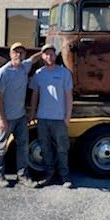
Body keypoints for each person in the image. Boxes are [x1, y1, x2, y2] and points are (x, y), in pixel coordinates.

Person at [0, 42, 41, 188]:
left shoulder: (24, 67)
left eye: (21, 52)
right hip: (6, 117)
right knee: (1, 147)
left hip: (20, 117)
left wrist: (45, 49)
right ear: (10, 54)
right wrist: (1, 118)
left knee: (23, 147)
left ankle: (23, 175)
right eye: (15, 52)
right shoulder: (3, 72)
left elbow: (34, 59)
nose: (18, 55)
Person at [29, 43, 73, 188]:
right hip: (43, 118)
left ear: (55, 55)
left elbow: (69, 96)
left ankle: (64, 177)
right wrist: (33, 113)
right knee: (45, 147)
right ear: (42, 56)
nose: (49, 56)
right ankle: (49, 174)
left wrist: (67, 117)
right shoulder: (38, 74)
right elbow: (35, 95)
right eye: (46, 54)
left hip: (59, 119)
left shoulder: (64, 73)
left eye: (52, 53)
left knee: (62, 148)